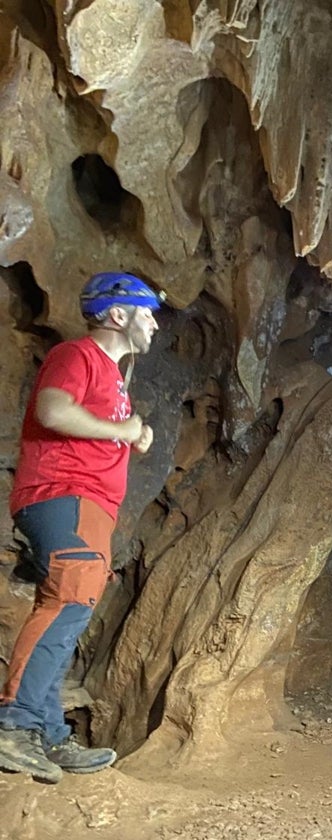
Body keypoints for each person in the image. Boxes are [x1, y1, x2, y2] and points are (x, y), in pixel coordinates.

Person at [0, 272, 164, 783]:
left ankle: (47, 732)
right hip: (62, 494)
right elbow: (52, 409)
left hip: (87, 503)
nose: (155, 325)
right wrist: (121, 429)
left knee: (70, 609)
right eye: (147, 312)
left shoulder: (113, 376)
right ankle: (15, 725)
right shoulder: (79, 356)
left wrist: (128, 436)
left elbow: (87, 424)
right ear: (119, 314)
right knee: (68, 601)